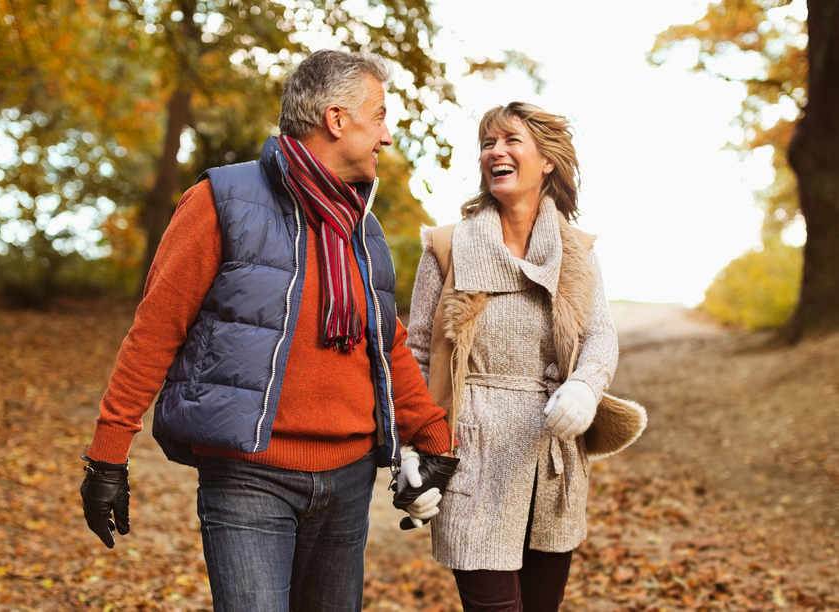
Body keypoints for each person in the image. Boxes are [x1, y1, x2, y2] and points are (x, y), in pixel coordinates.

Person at [78, 50, 454, 612]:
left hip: (349, 481)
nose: (387, 136)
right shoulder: (220, 201)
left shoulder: (363, 229)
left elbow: (386, 342)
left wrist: (434, 440)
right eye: (379, 117)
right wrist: (108, 456)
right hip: (250, 477)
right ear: (336, 119)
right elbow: (155, 330)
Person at [406, 102, 647, 611]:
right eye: (488, 144)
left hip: (553, 461)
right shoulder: (448, 248)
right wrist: (411, 445)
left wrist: (586, 386)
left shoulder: (577, 252)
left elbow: (600, 335)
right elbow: (417, 352)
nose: (496, 152)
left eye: (511, 140)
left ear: (547, 161)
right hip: (472, 456)